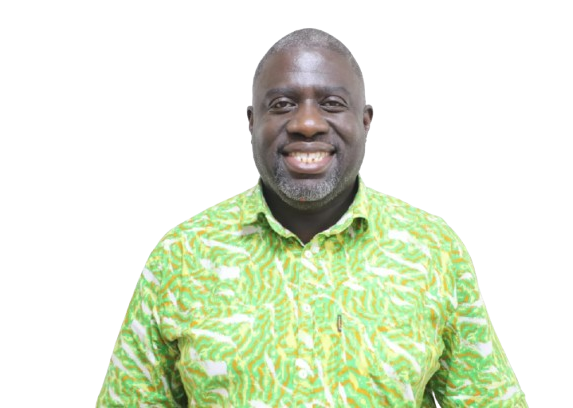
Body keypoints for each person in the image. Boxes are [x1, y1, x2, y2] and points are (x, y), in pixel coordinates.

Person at [96, 27, 528, 407]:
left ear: (365, 121)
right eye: (282, 104)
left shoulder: (433, 250)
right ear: (251, 121)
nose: (306, 123)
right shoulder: (181, 256)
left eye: (332, 103)